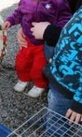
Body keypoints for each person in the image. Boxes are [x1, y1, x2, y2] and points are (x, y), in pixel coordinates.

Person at [2, 0, 72, 98]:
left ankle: (40, 84)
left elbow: (65, 19)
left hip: (43, 43)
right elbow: (19, 12)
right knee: (21, 62)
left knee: (39, 67)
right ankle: (24, 78)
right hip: (27, 40)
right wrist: (10, 20)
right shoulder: (25, 1)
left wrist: (52, 31)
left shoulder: (58, 2)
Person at [43, 7, 82, 136]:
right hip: (57, 75)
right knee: (53, 106)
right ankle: (49, 119)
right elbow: (68, 34)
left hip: (70, 89)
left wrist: (79, 103)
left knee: (57, 124)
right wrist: (56, 56)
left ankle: (53, 128)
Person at [17, 0, 82, 62]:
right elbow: (21, 11)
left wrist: (49, 32)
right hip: (39, 39)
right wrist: (26, 25)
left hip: (67, 54)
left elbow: (65, 18)